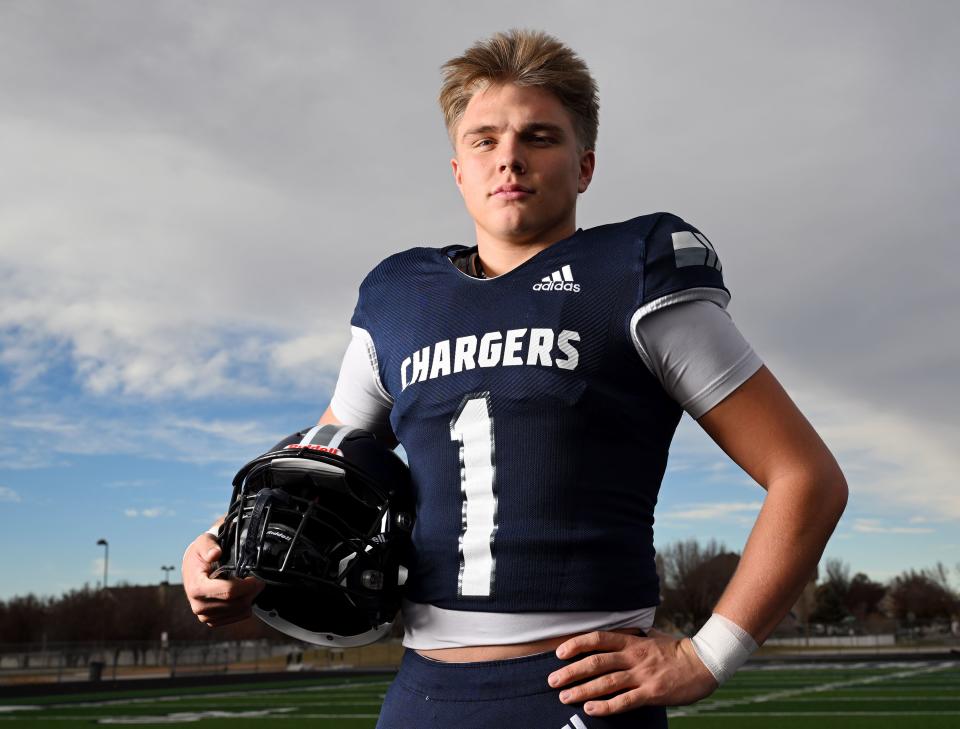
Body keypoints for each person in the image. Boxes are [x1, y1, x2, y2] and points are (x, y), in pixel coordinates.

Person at [183, 29, 848, 727]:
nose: (510, 157)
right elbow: (322, 472)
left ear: (584, 165)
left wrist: (708, 654)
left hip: (580, 693)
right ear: (458, 169)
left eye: (539, 136)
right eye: (485, 139)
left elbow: (806, 476)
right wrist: (230, 550)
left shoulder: (633, 275)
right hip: (422, 696)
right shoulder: (397, 299)